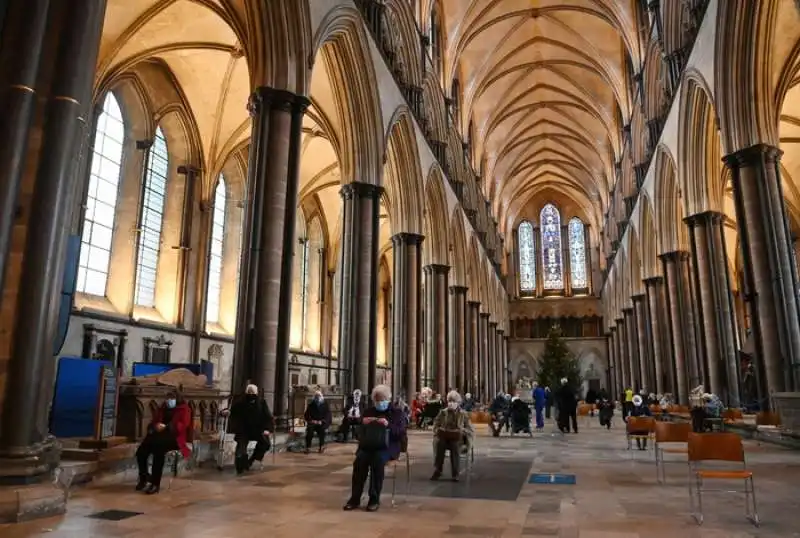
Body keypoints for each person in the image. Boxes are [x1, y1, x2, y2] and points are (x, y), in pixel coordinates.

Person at [343, 385, 406, 512]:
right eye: (377, 400)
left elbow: (400, 433)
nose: (379, 402)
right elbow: (359, 433)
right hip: (369, 445)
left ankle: (374, 498)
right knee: (360, 460)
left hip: (387, 447)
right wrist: (363, 423)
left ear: (388, 399)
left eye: (382, 399)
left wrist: (388, 425)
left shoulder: (397, 413)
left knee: (377, 461)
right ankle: (355, 497)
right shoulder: (369, 411)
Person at [135, 390, 191, 494]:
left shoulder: (184, 409)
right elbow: (154, 420)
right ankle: (144, 477)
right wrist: (155, 426)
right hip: (158, 435)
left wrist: (166, 427)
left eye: (171, 398)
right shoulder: (163, 408)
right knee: (141, 451)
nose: (169, 401)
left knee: (158, 450)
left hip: (174, 438)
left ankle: (155, 483)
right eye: (167, 398)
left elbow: (183, 425)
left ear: (177, 399)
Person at [227, 384, 273, 475]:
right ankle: (241, 464)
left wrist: (267, 429)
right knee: (241, 448)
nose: (251, 393)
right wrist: (226, 412)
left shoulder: (261, 402)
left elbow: (268, 417)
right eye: (249, 391)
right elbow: (232, 411)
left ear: (256, 392)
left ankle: (252, 460)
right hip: (243, 430)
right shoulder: (240, 402)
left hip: (258, 430)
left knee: (265, 443)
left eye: (253, 392)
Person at [431, 391, 473, 481]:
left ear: (458, 403)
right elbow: (435, 425)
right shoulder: (442, 413)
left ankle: (455, 473)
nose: (451, 403)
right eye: (449, 401)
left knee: (454, 445)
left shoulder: (463, 414)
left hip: (457, 439)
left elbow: (470, 430)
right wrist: (438, 430)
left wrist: (461, 430)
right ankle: (438, 470)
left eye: (453, 401)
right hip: (444, 437)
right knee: (440, 444)